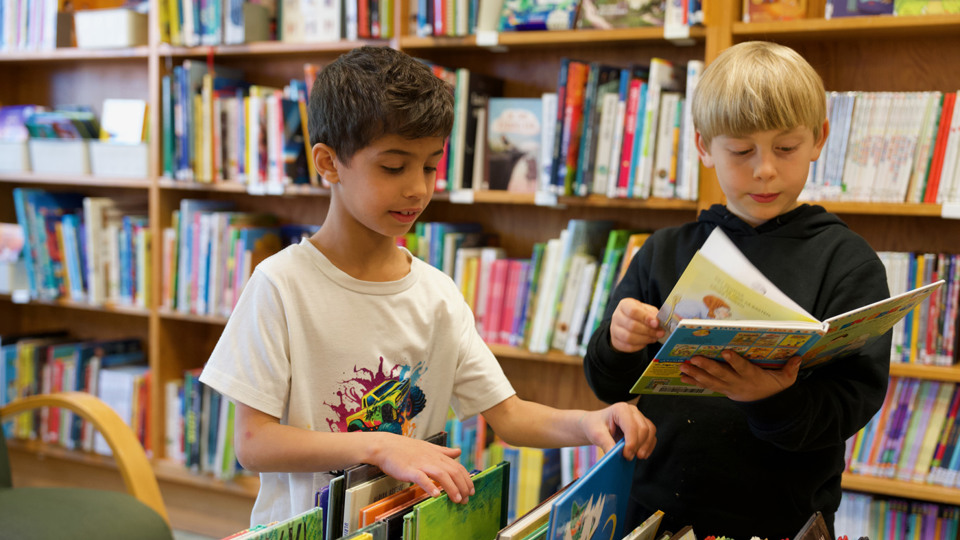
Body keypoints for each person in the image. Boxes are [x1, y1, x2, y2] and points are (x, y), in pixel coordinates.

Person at [199, 45, 657, 527]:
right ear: (329, 163)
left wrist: (588, 423)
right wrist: (379, 444)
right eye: (394, 167)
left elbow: (510, 415)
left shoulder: (437, 294)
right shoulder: (281, 285)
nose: (417, 188)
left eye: (430, 166)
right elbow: (253, 444)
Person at [583, 41, 891, 538]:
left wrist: (771, 398)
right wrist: (618, 341)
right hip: (655, 510)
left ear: (820, 139)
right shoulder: (664, 250)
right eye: (742, 150)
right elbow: (609, 385)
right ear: (704, 146)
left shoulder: (846, 262)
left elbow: (851, 404)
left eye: (785, 148)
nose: (765, 169)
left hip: (781, 519)